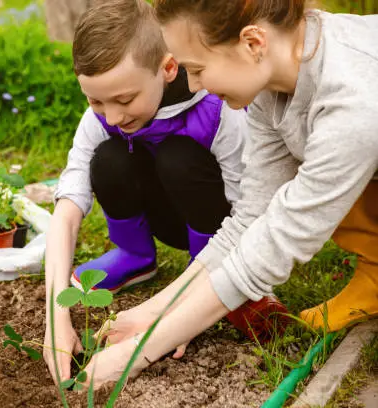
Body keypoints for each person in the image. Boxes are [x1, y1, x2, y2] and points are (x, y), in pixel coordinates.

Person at [78, 0, 378, 389]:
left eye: (198, 69)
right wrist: (156, 311)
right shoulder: (272, 88)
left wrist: (138, 354)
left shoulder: (352, 101)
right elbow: (250, 220)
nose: (195, 86)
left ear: (253, 43)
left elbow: (276, 244)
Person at [44, 0, 250, 384]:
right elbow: (68, 207)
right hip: (159, 210)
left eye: (124, 100)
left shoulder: (218, 108)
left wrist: (193, 304)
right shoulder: (103, 116)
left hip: (213, 226)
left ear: (168, 68)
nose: (113, 116)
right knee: (106, 157)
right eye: (95, 101)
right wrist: (55, 320)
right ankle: (135, 256)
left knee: (178, 156)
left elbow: (248, 211)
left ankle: (197, 273)